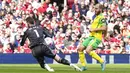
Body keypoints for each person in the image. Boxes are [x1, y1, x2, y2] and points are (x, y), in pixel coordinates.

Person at [78, 3, 107, 71]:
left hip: (97, 37)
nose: (95, 10)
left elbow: (104, 28)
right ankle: (84, 66)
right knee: (80, 49)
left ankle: (102, 61)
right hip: (91, 36)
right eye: (94, 8)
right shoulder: (95, 16)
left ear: (100, 9)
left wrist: (94, 29)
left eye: (96, 8)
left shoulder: (102, 18)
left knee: (88, 50)